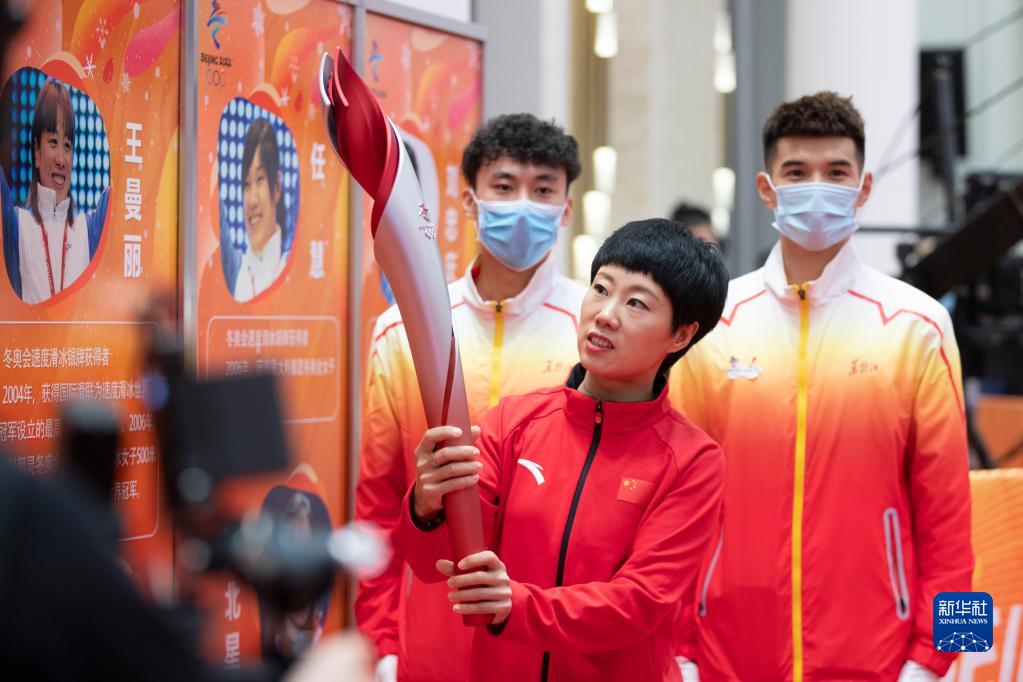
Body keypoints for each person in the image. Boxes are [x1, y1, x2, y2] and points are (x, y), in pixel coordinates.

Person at [670, 91, 972, 681]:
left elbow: (952, 520)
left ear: (863, 187)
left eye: (836, 173)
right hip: (726, 658)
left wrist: (940, 663)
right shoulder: (711, 324)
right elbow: (673, 503)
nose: (817, 187)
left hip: (881, 662)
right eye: (796, 172)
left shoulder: (918, 325)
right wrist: (677, 656)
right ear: (766, 189)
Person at [398, 219, 727, 681]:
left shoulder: (692, 460)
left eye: (636, 303)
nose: (605, 314)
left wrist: (518, 606)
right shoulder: (513, 423)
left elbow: (639, 601)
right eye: (601, 288)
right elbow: (438, 564)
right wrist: (427, 504)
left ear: (681, 335)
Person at [355, 113, 586, 682]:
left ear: (566, 209)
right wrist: (382, 642)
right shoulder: (405, 329)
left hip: (550, 637)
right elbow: (378, 502)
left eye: (543, 190)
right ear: (469, 200)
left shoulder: (593, 331)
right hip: (432, 638)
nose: (524, 205)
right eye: (504, 187)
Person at [1, 78, 106, 303]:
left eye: (67, 145)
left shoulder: (89, 231)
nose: (61, 159)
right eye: (53, 142)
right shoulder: (15, 225)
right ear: (37, 152)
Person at [233, 118, 289, 302]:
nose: (252, 201)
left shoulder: (290, 267)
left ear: (277, 186)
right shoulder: (239, 275)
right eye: (246, 184)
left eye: (260, 179)